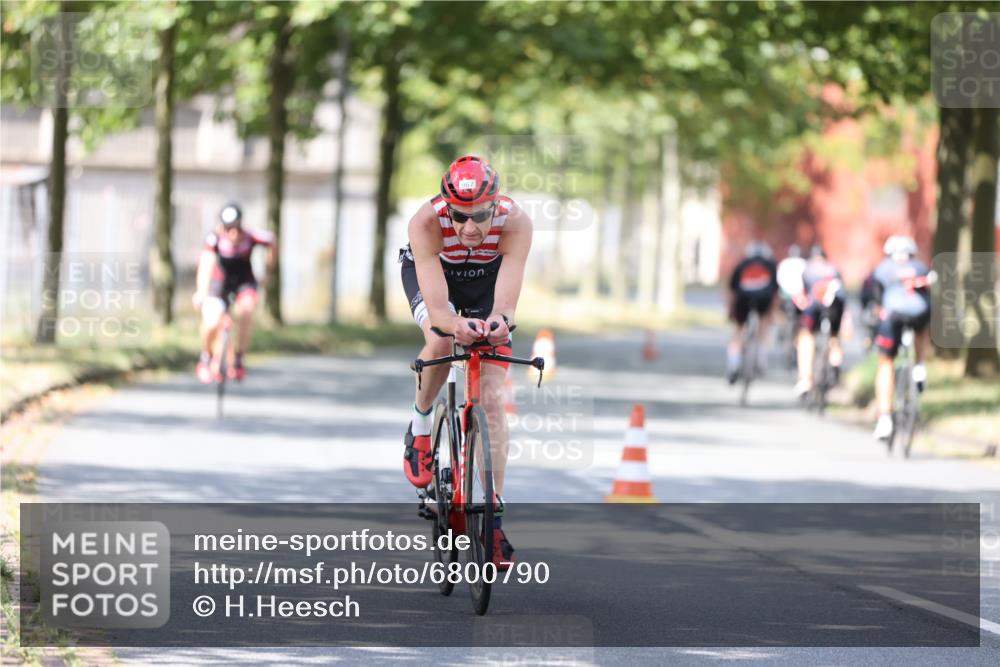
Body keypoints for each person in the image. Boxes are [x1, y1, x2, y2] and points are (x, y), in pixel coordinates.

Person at [399, 155, 533, 569]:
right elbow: (440, 314)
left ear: (495, 206)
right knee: (441, 343)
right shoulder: (426, 223)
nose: (469, 228)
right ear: (446, 208)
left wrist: (496, 324)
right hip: (439, 277)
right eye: (459, 216)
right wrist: (455, 325)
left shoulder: (517, 222)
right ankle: (421, 427)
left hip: (487, 280)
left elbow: (506, 307)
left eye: (479, 216)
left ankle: (492, 519)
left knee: (491, 396)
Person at [192, 203, 277, 384]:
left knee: (246, 311)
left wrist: (269, 272)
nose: (232, 234)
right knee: (212, 321)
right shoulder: (214, 239)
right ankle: (206, 357)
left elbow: (272, 241)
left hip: (244, 282)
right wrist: (201, 291)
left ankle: (239, 358)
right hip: (219, 285)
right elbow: (206, 264)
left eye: (236, 228)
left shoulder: (251, 237)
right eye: (228, 229)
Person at [870, 235, 931, 441]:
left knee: (885, 362)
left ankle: (885, 418)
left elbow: (876, 303)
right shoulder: (921, 267)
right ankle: (920, 366)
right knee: (922, 325)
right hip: (919, 315)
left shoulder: (882, 269)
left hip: (892, 317)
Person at [793, 245, 847, 397]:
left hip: (814, 306)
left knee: (806, 336)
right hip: (835, 306)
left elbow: (801, 297)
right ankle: (835, 361)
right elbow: (843, 295)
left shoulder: (808, 270)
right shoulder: (834, 269)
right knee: (834, 335)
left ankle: (806, 379)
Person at [726, 241, 778, 383]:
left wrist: (731, 310)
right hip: (763, 300)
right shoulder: (770, 265)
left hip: (743, 299)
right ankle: (761, 358)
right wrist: (772, 314)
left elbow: (731, 290)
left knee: (738, 331)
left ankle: (733, 363)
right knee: (763, 325)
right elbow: (775, 292)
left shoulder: (742, 264)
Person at [776, 244, 807, 365]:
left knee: (781, 312)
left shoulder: (784, 263)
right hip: (799, 297)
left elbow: (779, 280)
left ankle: (781, 331)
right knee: (801, 323)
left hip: (786, 297)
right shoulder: (804, 263)